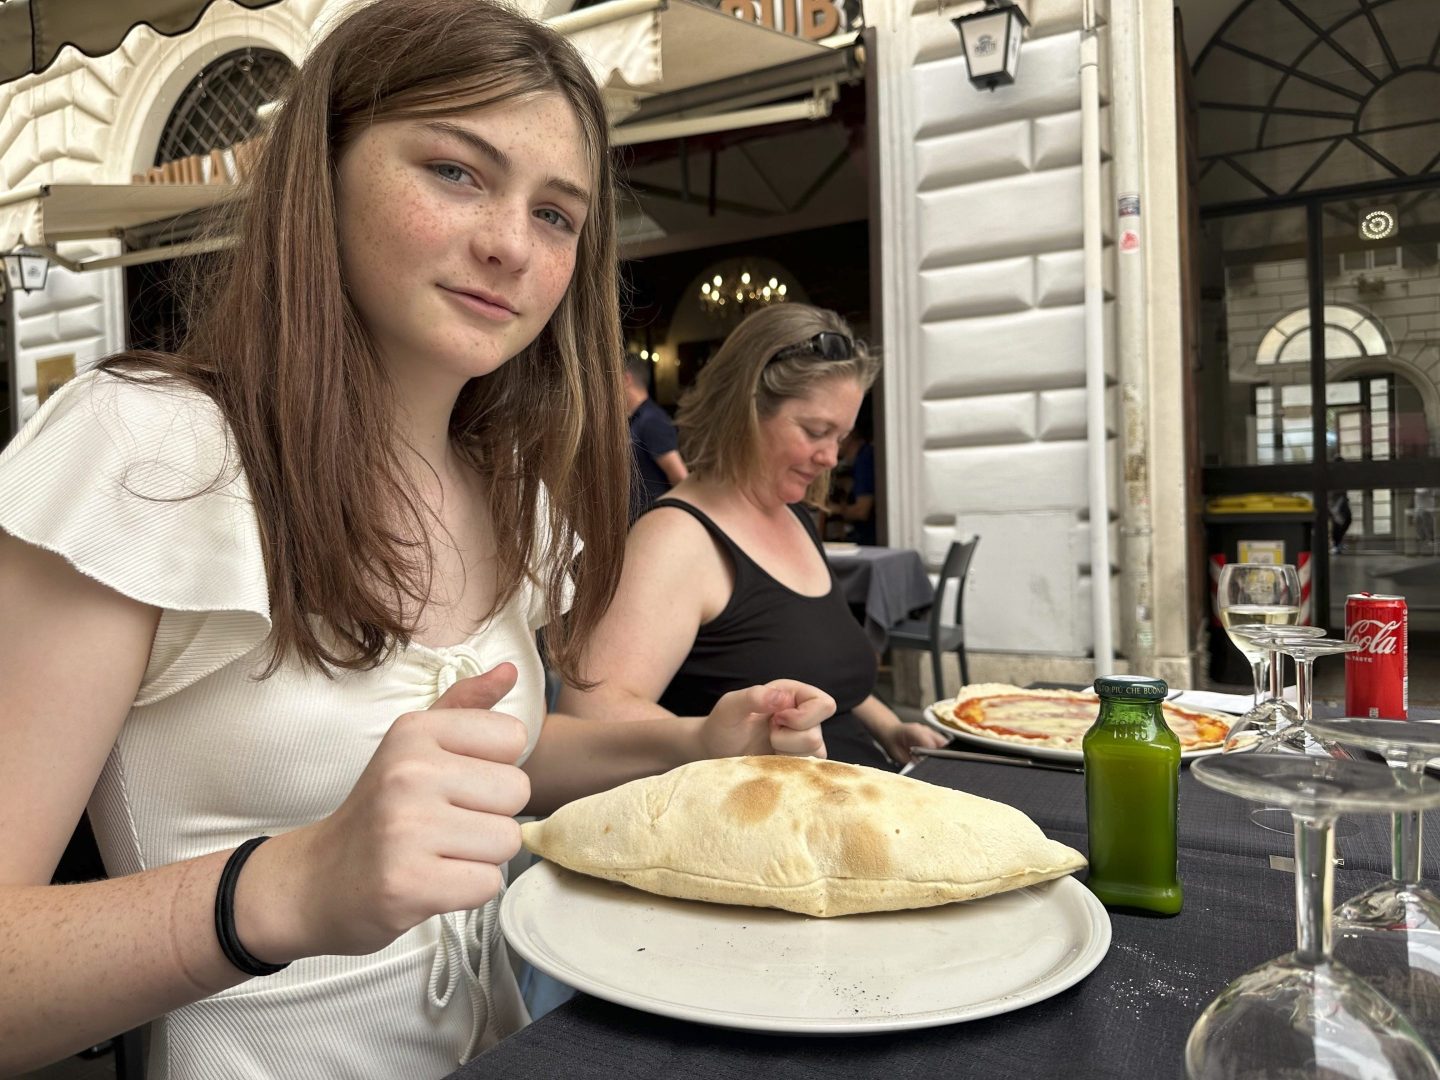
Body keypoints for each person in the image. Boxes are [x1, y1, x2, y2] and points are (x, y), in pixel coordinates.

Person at [0, 3, 834, 1076]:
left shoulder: (511, 486)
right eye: (454, 171)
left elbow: (494, 760)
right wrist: (288, 886)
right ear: (322, 171)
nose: (510, 245)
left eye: (556, 215)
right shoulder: (147, 448)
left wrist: (688, 746)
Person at [558, 304, 947, 771]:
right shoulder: (675, 539)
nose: (831, 457)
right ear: (743, 410)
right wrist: (727, 748)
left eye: (840, 437)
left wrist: (891, 728)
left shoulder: (794, 516)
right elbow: (591, 715)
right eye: (816, 431)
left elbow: (821, 665)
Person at [622, 352, 687, 518]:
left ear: (626, 379)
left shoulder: (652, 420)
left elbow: (679, 477)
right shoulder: (635, 418)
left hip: (654, 519)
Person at [826, 412, 876, 545]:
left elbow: (861, 511)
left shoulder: (864, 460)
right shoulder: (858, 460)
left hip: (867, 540)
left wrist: (832, 509)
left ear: (849, 434)